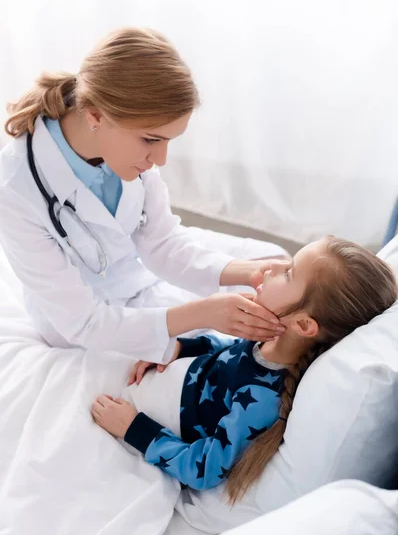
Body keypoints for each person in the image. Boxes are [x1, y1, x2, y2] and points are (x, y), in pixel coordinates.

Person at [0, 27, 287, 362]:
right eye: (152, 140)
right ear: (95, 115)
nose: (160, 160)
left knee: (275, 260)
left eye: (168, 140)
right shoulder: (15, 187)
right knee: (217, 345)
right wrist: (205, 313)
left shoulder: (126, 142)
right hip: (84, 324)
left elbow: (162, 243)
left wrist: (248, 273)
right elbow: (84, 322)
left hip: (138, 274)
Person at [91, 236, 398, 501]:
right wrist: (181, 348)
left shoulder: (262, 399)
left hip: (155, 413)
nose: (272, 266)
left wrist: (134, 429)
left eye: (289, 273)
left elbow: (204, 469)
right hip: (169, 374)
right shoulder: (265, 340)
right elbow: (226, 354)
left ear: (304, 324)